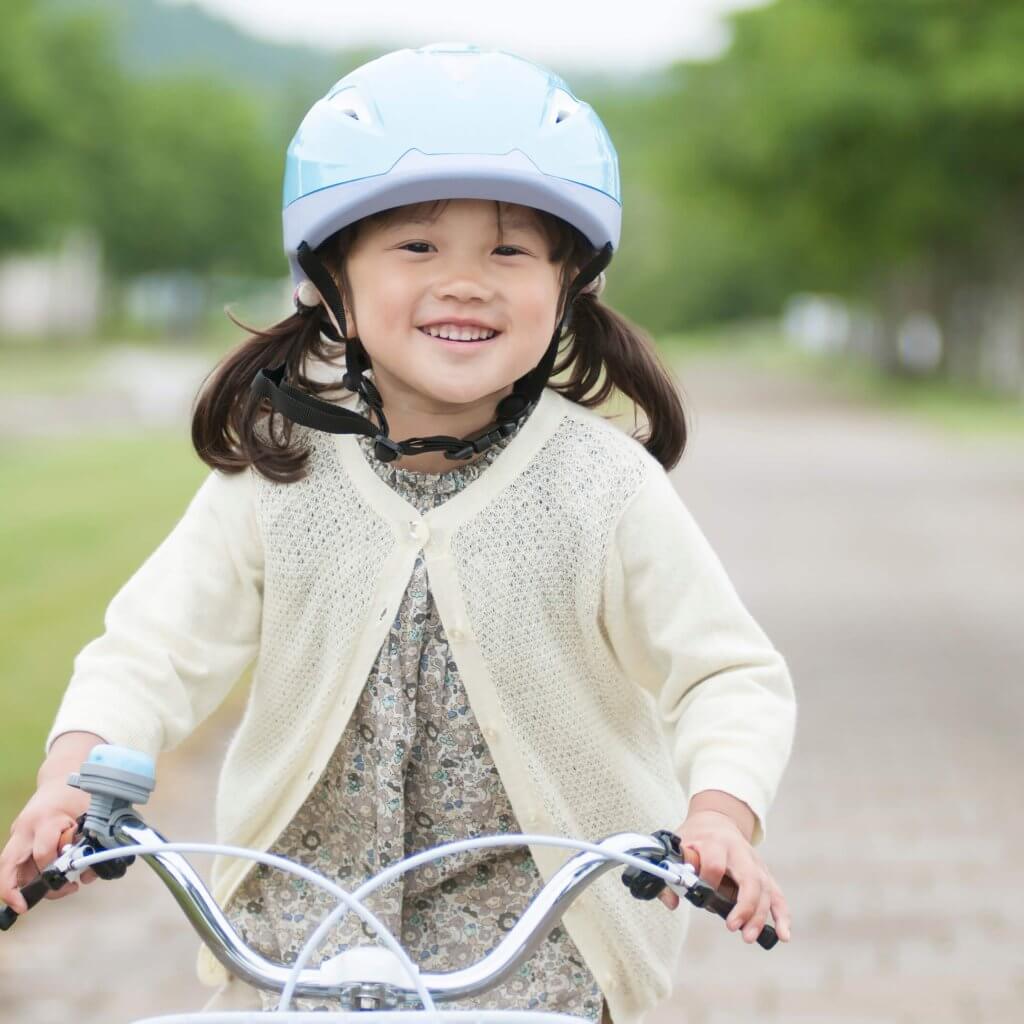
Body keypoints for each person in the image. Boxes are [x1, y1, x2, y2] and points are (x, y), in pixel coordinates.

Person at [0, 43, 796, 1024]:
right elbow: (155, 647)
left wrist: (718, 810)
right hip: (296, 938)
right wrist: (71, 784)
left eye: (508, 251)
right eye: (416, 248)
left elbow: (726, 671)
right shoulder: (279, 471)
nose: (465, 282)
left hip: (540, 947)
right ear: (333, 279)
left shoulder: (601, 485)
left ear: (567, 284)